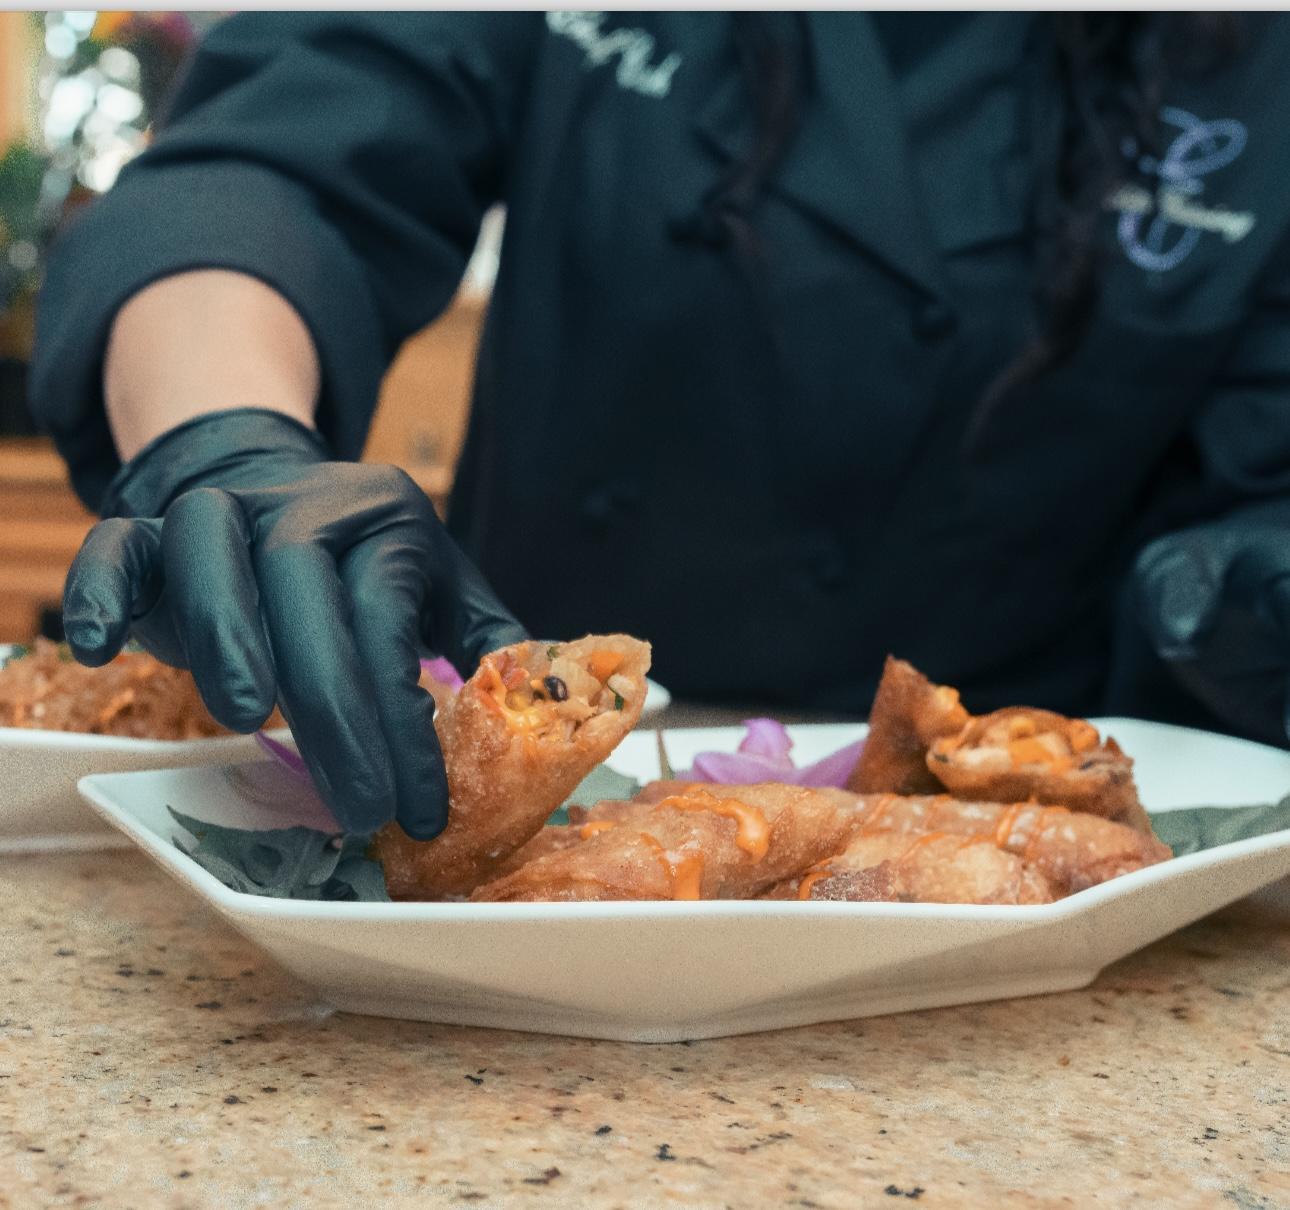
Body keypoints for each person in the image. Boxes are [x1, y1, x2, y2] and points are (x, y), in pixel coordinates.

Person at [29, 13, 1290, 840]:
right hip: (522, 801)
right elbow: (275, 163)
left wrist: (1241, 592)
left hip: (1020, 872)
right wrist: (227, 441)